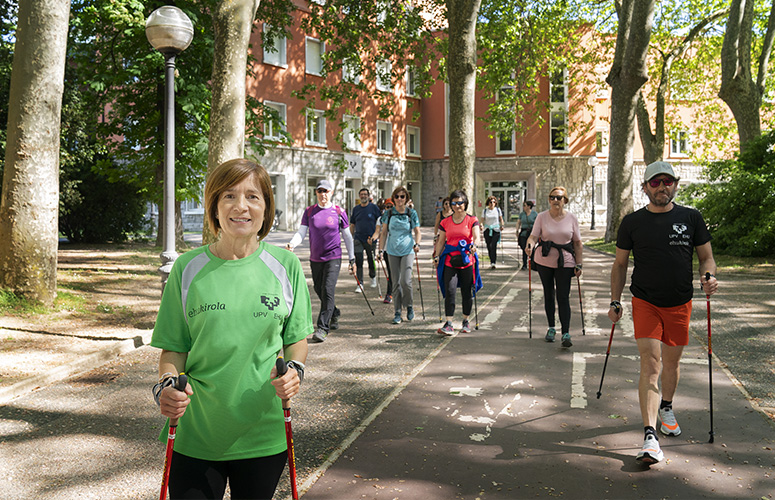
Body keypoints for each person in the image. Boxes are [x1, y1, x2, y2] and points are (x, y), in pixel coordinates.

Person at [151, 158, 311, 499]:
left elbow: (296, 339)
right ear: (214, 207)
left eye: (253, 196)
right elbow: (173, 349)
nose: (241, 206)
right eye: (229, 196)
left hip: (263, 435)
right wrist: (165, 387)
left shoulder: (286, 266)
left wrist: (295, 370)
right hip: (194, 434)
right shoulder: (186, 268)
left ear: (266, 208)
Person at [608, 161, 718, 464]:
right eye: (655, 183)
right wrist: (615, 301)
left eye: (667, 182)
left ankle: (666, 406)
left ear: (676, 185)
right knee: (651, 363)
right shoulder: (632, 222)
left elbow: (706, 257)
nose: (661, 187)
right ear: (645, 187)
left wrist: (709, 276)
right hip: (645, 301)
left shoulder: (691, 218)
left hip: (680, 302)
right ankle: (650, 435)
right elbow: (619, 265)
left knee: (672, 362)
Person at [287, 179, 355, 343]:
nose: (323, 194)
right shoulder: (310, 212)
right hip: (316, 258)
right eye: (320, 191)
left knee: (327, 289)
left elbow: (347, 236)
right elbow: (301, 232)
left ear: (331, 193)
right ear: (316, 193)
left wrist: (352, 258)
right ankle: (334, 312)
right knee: (319, 289)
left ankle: (322, 328)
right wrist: (292, 244)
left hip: (334, 257)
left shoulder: (338, 212)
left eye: (326, 191)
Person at [525, 186, 583, 348]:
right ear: (549, 200)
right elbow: (533, 236)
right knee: (548, 293)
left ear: (565, 200)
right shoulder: (542, 217)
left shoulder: (571, 218)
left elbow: (577, 243)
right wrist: (529, 245)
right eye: (552, 197)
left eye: (559, 197)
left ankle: (566, 332)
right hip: (544, 260)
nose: (555, 200)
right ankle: (551, 328)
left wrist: (579, 264)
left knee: (563, 296)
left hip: (565, 261)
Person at [434, 190, 482, 335]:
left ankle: (466, 321)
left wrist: (475, 246)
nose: (457, 206)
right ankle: (448, 323)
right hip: (450, 260)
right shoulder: (445, 222)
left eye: (460, 203)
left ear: (465, 203)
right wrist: (436, 256)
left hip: (467, 260)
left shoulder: (471, 220)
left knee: (467, 292)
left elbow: (476, 236)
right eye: (454, 203)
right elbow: (441, 241)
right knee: (450, 290)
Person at [377, 186, 421, 324]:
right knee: (395, 283)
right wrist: (380, 250)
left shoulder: (411, 213)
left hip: (407, 250)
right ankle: (397, 312)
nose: (400, 199)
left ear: (406, 198)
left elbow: (417, 231)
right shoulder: (388, 214)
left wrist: (417, 244)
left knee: (406, 282)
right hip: (392, 251)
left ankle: (409, 306)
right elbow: (383, 233)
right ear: (394, 198)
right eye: (397, 196)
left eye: (403, 196)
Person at [349, 188, 381, 292]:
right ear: (359, 196)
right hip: (358, 238)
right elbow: (352, 224)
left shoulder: (374, 208)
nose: (363, 196)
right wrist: (350, 237)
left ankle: (372, 277)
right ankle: (360, 283)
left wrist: (376, 236)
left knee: (371, 260)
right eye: (361, 194)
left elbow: (379, 223)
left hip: (370, 239)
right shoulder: (356, 209)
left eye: (365, 194)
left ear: (368, 196)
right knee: (358, 260)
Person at [374, 198, 394, 304]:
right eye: (387, 207)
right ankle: (389, 294)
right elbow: (378, 232)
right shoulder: (381, 219)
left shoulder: (400, 217)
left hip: (399, 249)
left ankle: (396, 291)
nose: (389, 209)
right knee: (391, 272)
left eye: (391, 206)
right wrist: (373, 239)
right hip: (386, 249)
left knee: (398, 273)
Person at [481, 196, 505, 269]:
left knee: (493, 245)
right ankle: (491, 261)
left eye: (494, 202)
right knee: (489, 246)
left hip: (496, 230)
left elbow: (501, 219)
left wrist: (502, 225)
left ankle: (493, 262)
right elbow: (482, 220)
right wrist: (481, 225)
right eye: (491, 202)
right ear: (488, 203)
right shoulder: (485, 211)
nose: (492, 203)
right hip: (487, 230)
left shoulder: (498, 210)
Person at [517, 200, 537, 269]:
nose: (523, 207)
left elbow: (537, 224)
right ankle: (524, 264)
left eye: (525, 205)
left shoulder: (534, 214)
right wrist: (517, 230)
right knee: (524, 247)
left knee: (532, 248)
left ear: (529, 206)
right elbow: (518, 222)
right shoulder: (522, 214)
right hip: (524, 232)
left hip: (532, 232)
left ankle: (532, 263)